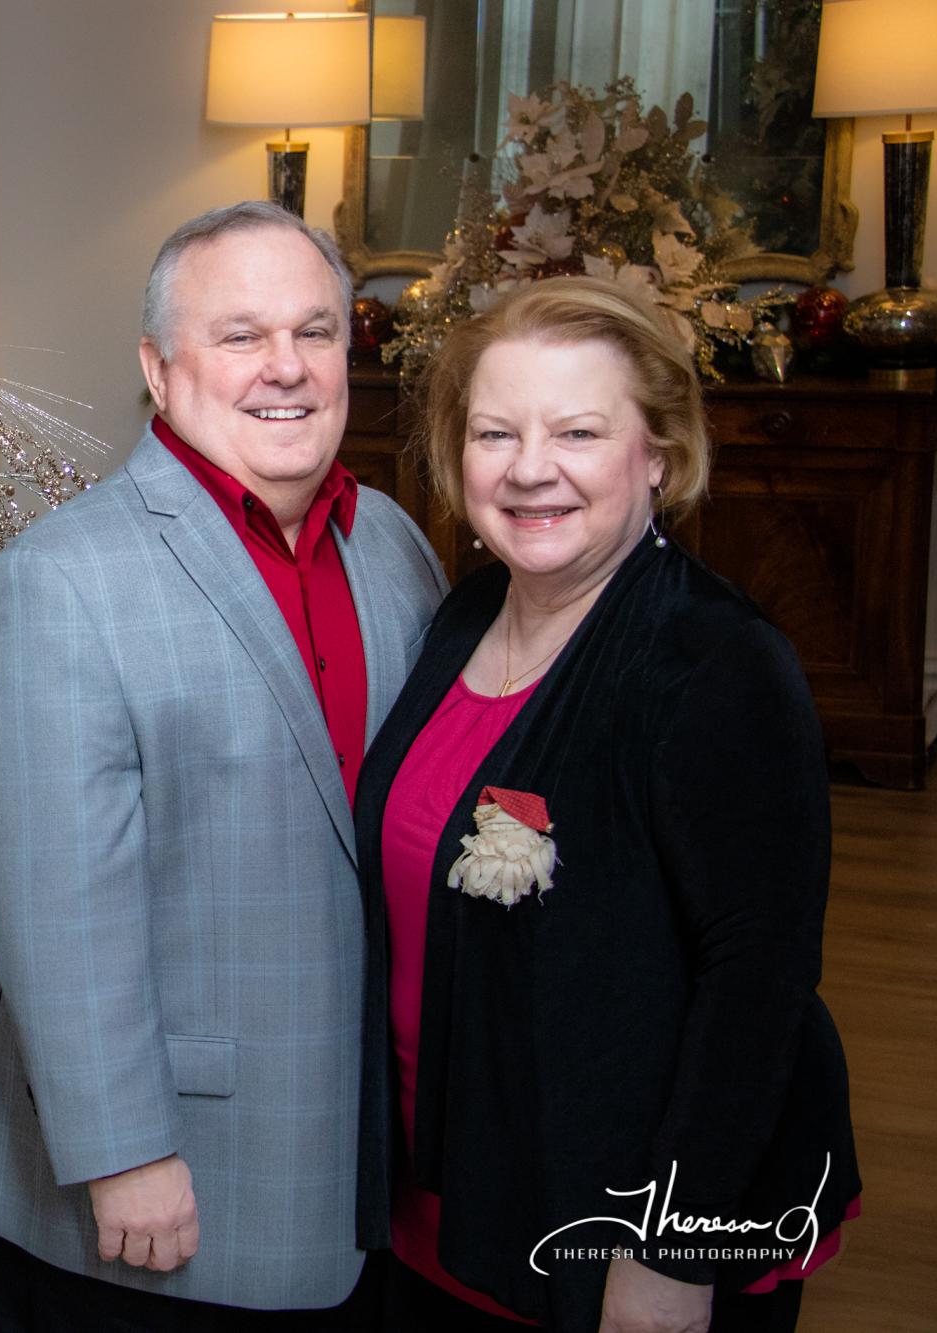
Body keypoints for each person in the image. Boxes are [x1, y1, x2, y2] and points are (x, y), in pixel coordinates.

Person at [0, 200, 447, 1330]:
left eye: (315, 332)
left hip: (358, 1168)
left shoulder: (394, 546)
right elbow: (54, 905)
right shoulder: (59, 581)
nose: (286, 367)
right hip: (156, 1189)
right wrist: (121, 1150)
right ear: (158, 371)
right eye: (240, 335)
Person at [352, 277, 860, 1333]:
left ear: (658, 454)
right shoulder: (466, 613)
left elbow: (756, 983)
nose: (529, 467)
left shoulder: (714, 661)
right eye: (495, 432)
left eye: (577, 432)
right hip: (451, 1181)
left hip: (614, 1214)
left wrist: (670, 1253)